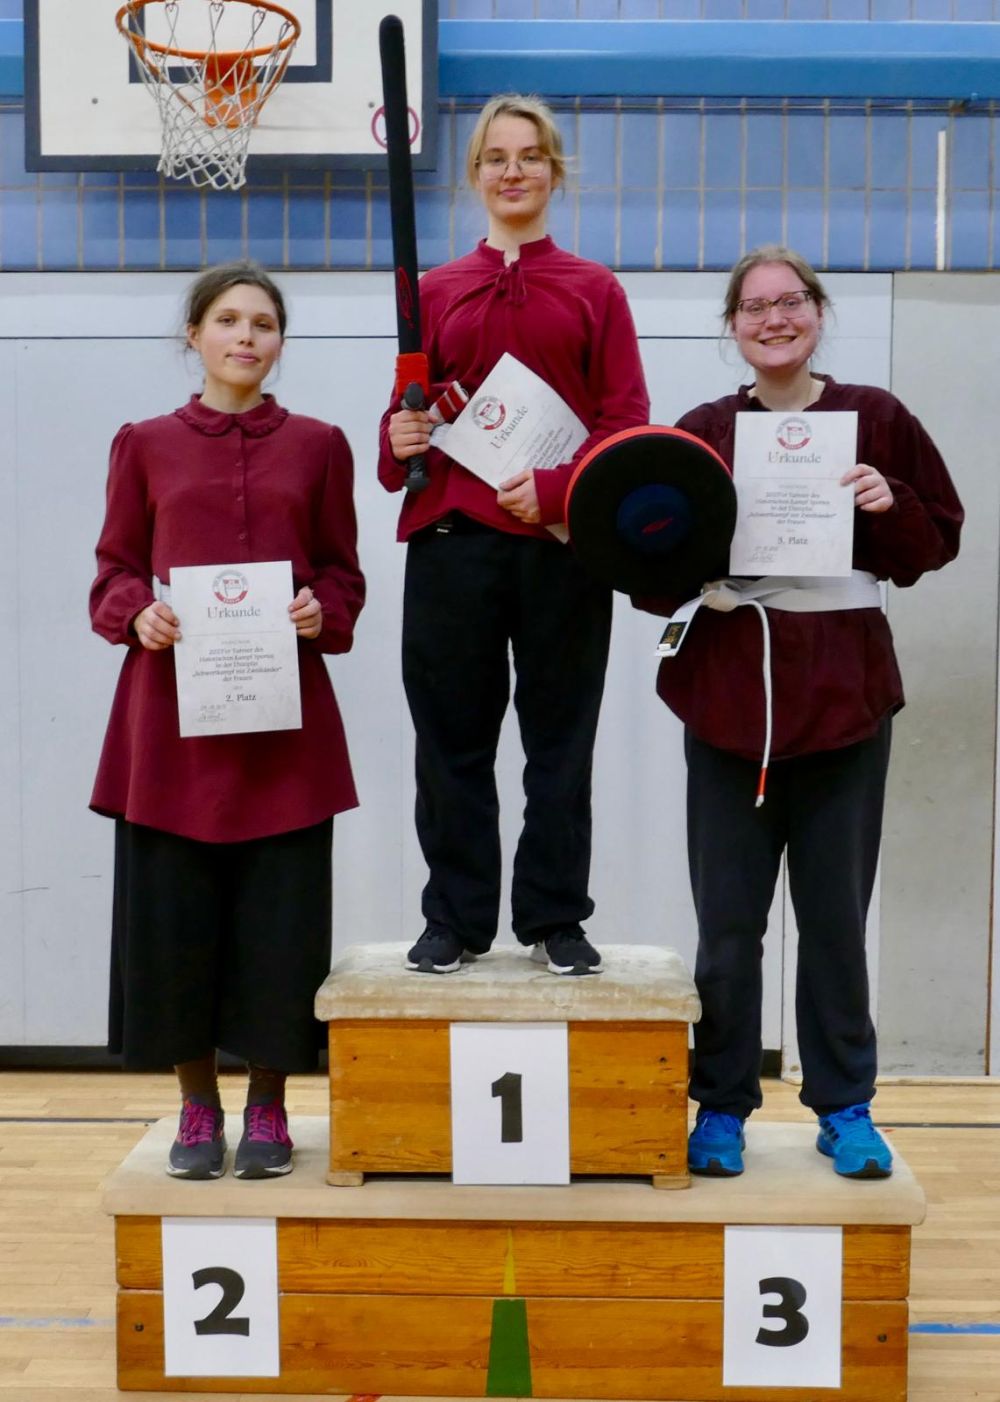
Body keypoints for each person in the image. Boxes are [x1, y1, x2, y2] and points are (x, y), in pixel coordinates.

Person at [643, 245, 963, 1179]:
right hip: (728, 702)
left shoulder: (878, 418)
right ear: (732, 327)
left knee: (833, 922)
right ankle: (721, 1105)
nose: (774, 319)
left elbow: (934, 542)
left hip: (846, 700)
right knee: (727, 927)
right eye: (754, 307)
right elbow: (652, 560)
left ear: (818, 313)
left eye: (791, 302)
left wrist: (888, 500)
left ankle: (846, 1105)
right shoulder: (704, 429)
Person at [90, 260, 365, 1180]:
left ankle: (272, 1105)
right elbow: (113, 569)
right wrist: (137, 612)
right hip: (169, 733)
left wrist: (323, 610)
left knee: (281, 925)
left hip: (286, 737)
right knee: (175, 924)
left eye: (264, 324)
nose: (247, 337)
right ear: (195, 335)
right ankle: (198, 1104)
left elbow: (343, 574)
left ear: (279, 342)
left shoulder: (321, 446)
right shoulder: (143, 444)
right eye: (228, 320)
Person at [379, 94, 650, 977]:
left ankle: (554, 916)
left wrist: (560, 490)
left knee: (560, 742)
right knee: (449, 744)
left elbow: (624, 421)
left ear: (554, 171)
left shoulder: (595, 289)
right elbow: (404, 430)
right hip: (452, 543)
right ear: (474, 175)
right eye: (496, 157)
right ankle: (454, 919)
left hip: (561, 546)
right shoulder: (432, 291)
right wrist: (398, 436)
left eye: (530, 155)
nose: (513, 171)